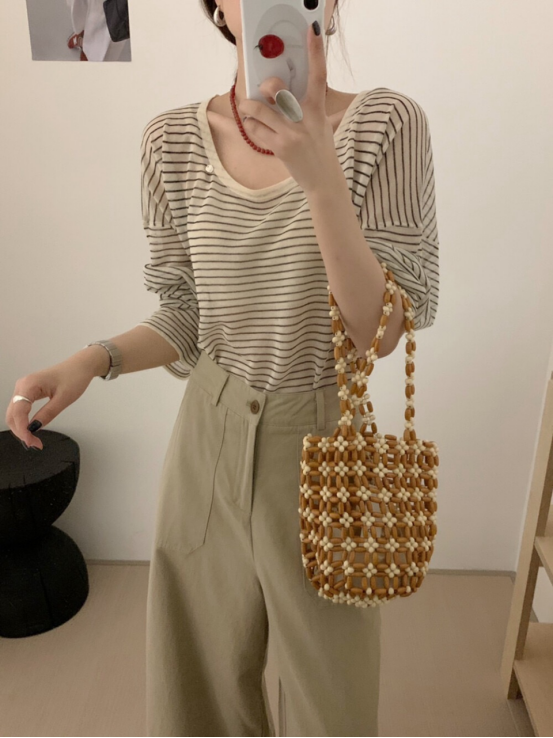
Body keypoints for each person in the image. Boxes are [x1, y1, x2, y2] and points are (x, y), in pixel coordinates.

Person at [7, 1, 440, 735]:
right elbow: (186, 313)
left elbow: (379, 333)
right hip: (206, 443)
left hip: (325, 440)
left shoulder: (386, 124)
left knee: (330, 699)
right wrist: (92, 360)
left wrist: (321, 180)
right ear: (216, 6)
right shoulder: (171, 141)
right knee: (195, 690)